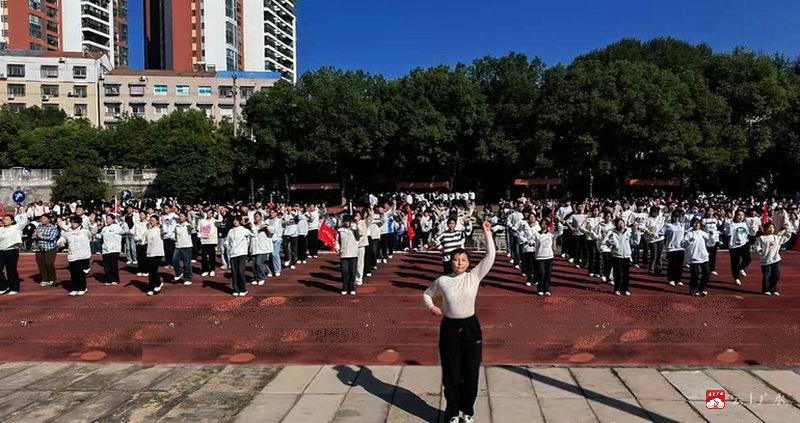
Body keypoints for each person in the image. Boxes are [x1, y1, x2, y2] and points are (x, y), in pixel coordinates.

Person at [423, 221, 495, 423]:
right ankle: (452, 413)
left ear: (468, 262)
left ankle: (467, 412)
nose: (459, 263)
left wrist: (487, 232)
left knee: (471, 373)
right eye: (456, 260)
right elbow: (427, 295)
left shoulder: (474, 277)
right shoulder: (443, 281)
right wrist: (431, 307)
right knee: (451, 373)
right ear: (451, 261)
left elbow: (490, 257)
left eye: (463, 260)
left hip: (471, 328)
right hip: (449, 329)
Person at [57, 216, 93, 296]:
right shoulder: (68, 231)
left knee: (80, 273)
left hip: (83, 255)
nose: (73, 224)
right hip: (72, 255)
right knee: (73, 273)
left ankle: (82, 288)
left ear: (79, 223)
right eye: (72, 222)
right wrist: (60, 242)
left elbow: (93, 232)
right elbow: (62, 238)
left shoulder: (85, 231)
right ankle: (74, 288)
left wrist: (92, 223)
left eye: (74, 222)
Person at [753, 222, 792, 296]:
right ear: (765, 229)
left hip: (775, 259)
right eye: (769, 227)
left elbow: (786, 237)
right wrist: (759, 249)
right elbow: (755, 246)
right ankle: (766, 289)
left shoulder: (776, 237)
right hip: (766, 261)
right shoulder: (761, 238)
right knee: (767, 276)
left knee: (776, 274)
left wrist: (788, 228)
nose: (771, 229)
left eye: (772, 227)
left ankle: (773, 289)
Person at [0, 207, 29, 295]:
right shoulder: (1, 229)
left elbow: (24, 221)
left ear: (12, 221)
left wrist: (23, 212)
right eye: (4, 219)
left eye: (7, 219)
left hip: (12, 251)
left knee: (11, 270)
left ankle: (14, 288)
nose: (5, 221)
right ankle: (4, 286)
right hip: (1, 251)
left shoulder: (16, 227)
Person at [532, 217, 562, 295]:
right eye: (542, 224)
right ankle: (540, 288)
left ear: (547, 225)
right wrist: (531, 244)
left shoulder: (551, 234)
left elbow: (560, 232)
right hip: (539, 257)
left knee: (548, 274)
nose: (543, 225)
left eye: (545, 224)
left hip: (549, 256)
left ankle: (547, 289)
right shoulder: (536, 234)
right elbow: (531, 241)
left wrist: (558, 223)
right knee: (541, 273)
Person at [604, 218, 633, 296]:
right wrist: (612, 243)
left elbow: (633, 241)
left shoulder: (628, 232)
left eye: (622, 223)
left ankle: (625, 289)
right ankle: (617, 289)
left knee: (626, 273)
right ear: (616, 225)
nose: (621, 225)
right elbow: (607, 243)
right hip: (617, 255)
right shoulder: (612, 233)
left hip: (626, 255)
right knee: (617, 273)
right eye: (619, 223)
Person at [682, 218, 711, 296]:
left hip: (703, 256)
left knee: (707, 272)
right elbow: (683, 244)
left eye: (698, 223)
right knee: (695, 274)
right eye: (695, 223)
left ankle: (701, 288)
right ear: (692, 225)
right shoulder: (689, 234)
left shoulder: (703, 233)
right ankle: (693, 289)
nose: (697, 224)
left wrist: (711, 237)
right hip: (693, 257)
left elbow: (711, 243)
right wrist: (689, 241)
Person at [96, 215, 127, 286]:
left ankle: (115, 279)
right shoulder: (104, 228)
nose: (107, 220)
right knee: (106, 266)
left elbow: (125, 231)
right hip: (105, 249)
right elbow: (100, 235)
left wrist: (123, 223)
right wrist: (97, 235)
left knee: (113, 265)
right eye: (106, 219)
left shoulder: (117, 227)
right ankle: (108, 279)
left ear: (113, 220)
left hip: (114, 249)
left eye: (109, 219)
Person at [227, 215, 252, 296]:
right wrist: (227, 246)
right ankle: (236, 289)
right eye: (234, 220)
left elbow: (253, 234)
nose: (235, 222)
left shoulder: (244, 230)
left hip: (241, 253)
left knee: (240, 272)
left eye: (237, 220)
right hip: (233, 254)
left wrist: (249, 224)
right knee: (234, 273)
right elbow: (227, 241)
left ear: (240, 221)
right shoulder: (230, 231)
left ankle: (243, 289)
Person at [724, 210, 751, 286]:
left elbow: (747, 233)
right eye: (739, 215)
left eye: (742, 215)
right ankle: (736, 278)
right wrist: (729, 226)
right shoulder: (732, 224)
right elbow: (727, 234)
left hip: (744, 243)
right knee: (735, 262)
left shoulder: (745, 224)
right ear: (735, 216)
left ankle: (740, 268)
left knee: (747, 259)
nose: (741, 217)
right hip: (734, 246)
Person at [33, 213, 60, 287]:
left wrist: (41, 236)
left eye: (44, 218)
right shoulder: (39, 226)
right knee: (40, 264)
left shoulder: (53, 227)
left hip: (50, 248)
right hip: (39, 248)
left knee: (49, 264)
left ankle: (52, 279)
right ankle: (45, 279)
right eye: (41, 218)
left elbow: (52, 238)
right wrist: (35, 236)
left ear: (48, 219)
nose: (42, 220)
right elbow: (33, 236)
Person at [336, 214, 359, 295]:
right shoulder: (340, 230)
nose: (347, 223)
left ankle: (352, 287)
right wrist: (337, 247)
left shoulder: (355, 229)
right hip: (344, 254)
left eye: (348, 221)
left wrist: (356, 225)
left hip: (353, 253)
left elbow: (360, 235)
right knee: (345, 271)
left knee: (352, 271)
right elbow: (337, 241)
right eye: (345, 221)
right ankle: (345, 287)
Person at [144, 215, 165, 296]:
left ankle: (152, 287)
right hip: (150, 252)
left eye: (153, 220)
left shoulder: (159, 230)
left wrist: (163, 223)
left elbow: (165, 231)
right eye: (150, 220)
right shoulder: (148, 231)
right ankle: (156, 284)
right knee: (151, 270)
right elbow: (143, 240)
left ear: (157, 221)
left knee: (153, 270)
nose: (151, 222)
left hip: (157, 252)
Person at [664, 210, 686, 287]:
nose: (676, 218)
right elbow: (662, 233)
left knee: (679, 265)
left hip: (681, 247)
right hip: (671, 247)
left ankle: (678, 279)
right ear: (672, 217)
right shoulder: (668, 225)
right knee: (672, 264)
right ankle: (671, 279)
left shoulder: (682, 225)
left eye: (678, 217)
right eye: (675, 217)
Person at [592, 211, 615, 284]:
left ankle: (609, 278)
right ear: (604, 217)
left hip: (611, 246)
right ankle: (604, 274)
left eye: (610, 216)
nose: (608, 218)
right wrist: (598, 237)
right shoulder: (600, 225)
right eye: (607, 216)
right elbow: (593, 232)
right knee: (605, 260)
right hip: (603, 245)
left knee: (611, 262)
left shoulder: (613, 226)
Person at [172, 212, 194, 285]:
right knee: (174, 260)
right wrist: (173, 237)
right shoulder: (177, 226)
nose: (180, 217)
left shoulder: (188, 225)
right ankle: (180, 272)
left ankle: (188, 278)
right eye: (179, 216)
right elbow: (174, 234)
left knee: (186, 263)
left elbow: (191, 229)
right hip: (178, 246)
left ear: (186, 217)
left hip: (186, 246)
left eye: (182, 216)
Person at [249, 211, 270, 286]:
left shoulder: (264, 225)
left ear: (261, 217)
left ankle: (261, 278)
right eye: (255, 216)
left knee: (259, 263)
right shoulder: (252, 226)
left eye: (257, 216)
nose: (256, 218)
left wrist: (266, 227)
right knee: (254, 264)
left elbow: (272, 230)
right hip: (254, 247)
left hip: (262, 248)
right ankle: (256, 278)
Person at [197, 210, 219, 277]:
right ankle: (205, 270)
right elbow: (198, 229)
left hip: (212, 241)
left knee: (212, 256)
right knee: (204, 256)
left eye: (210, 213)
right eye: (208, 213)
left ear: (212, 214)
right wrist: (200, 234)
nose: (209, 214)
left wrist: (219, 212)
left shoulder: (214, 221)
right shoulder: (202, 221)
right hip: (204, 241)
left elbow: (220, 221)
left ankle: (212, 269)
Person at [266, 208, 283, 278]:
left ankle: (277, 270)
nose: (271, 214)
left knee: (274, 254)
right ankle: (270, 270)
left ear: (276, 213)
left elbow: (275, 230)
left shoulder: (279, 221)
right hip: (269, 240)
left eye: (273, 212)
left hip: (277, 239)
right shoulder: (266, 221)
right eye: (270, 212)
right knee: (269, 255)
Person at [132, 211, 149, 277]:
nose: (140, 216)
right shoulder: (137, 223)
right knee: (139, 257)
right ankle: (140, 270)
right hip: (138, 242)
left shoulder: (147, 223)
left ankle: (146, 270)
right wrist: (135, 236)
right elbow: (133, 231)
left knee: (144, 257)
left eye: (142, 214)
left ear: (145, 215)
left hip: (145, 242)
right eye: (140, 214)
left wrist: (144, 238)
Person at [354, 211, 369, 285]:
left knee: (360, 263)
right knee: (353, 263)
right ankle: (353, 277)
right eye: (355, 215)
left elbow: (360, 233)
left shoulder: (363, 222)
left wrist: (357, 224)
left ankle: (359, 278)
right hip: (353, 246)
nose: (356, 217)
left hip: (361, 245)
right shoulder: (351, 223)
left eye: (358, 216)